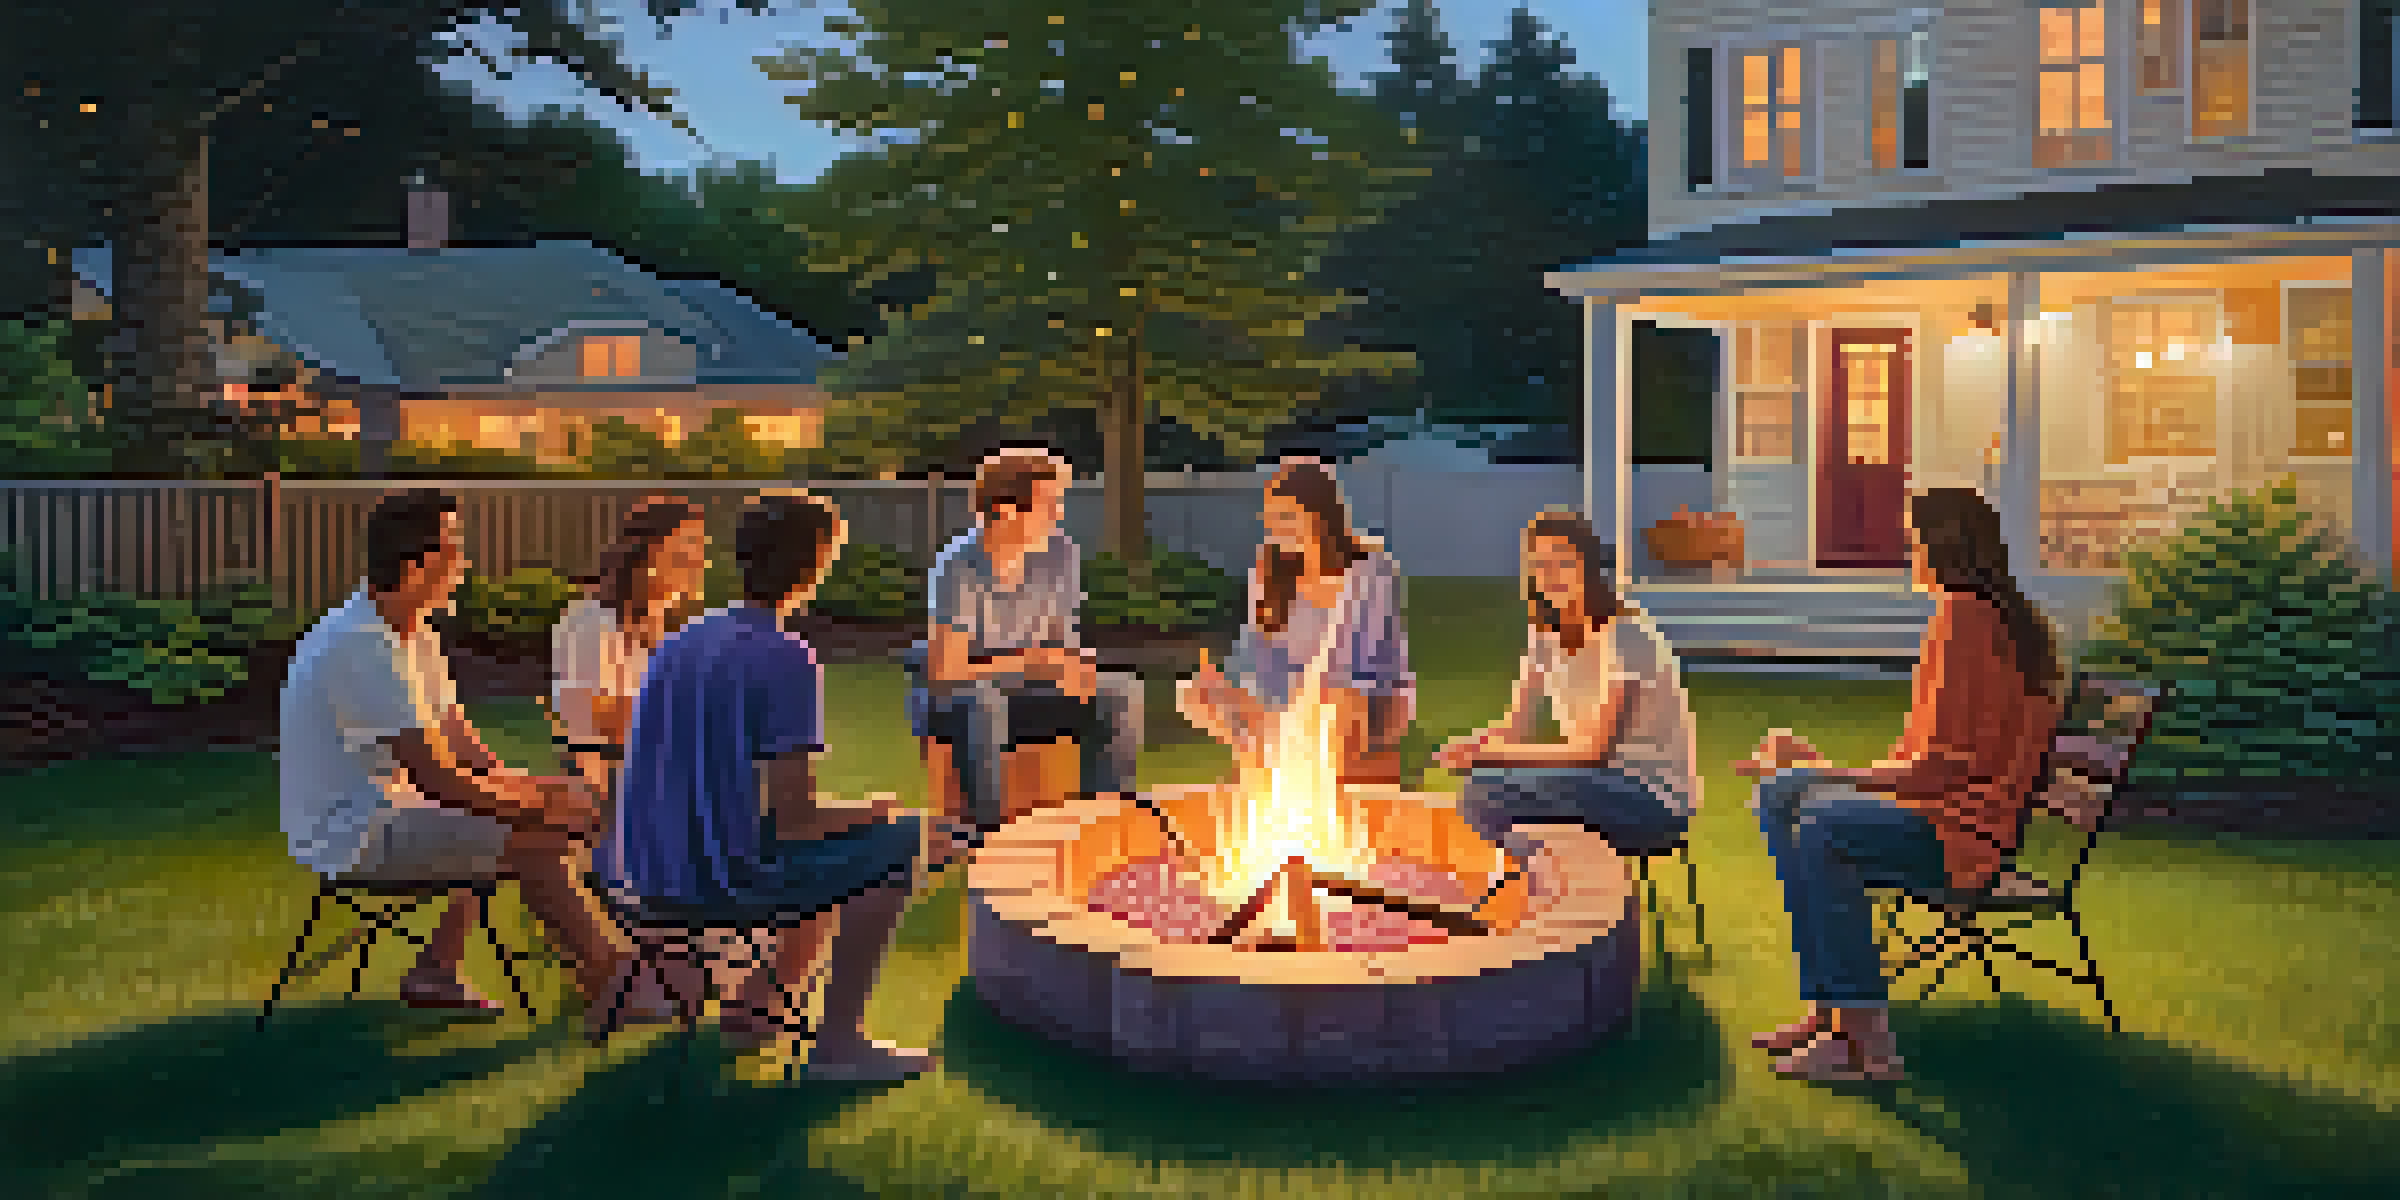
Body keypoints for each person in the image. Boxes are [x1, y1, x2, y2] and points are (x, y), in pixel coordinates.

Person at [610, 490, 966, 1079]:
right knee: (896, 848)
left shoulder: (682, 640)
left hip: (644, 868)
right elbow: (793, 819)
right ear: (818, 564)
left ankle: (760, 1004)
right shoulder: (785, 656)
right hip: (718, 877)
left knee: (842, 858)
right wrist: (877, 814)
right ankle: (838, 1044)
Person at [1734, 487, 2063, 1082]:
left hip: (1961, 839)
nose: (1905, 551)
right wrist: (1813, 768)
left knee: (1820, 825)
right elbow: (1932, 763)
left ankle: (1868, 1047)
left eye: (1911, 540)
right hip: (1948, 818)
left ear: (1941, 548)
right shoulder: (1987, 616)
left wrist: (1825, 773)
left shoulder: (1964, 620)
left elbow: (1941, 771)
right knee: (1781, 792)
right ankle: (1829, 1011)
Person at [279, 489, 628, 1017]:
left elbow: (467, 751)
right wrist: (543, 810)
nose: (464, 564)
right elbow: (440, 780)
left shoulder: (414, 633)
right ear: (417, 565)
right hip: (353, 832)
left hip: (400, 811)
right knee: (534, 839)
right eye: (454, 550)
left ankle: (437, 970)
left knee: (557, 816)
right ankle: (614, 986)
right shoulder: (362, 645)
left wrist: (551, 794)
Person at [1431, 510, 1701, 864]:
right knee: (1483, 783)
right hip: (1591, 784)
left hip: (1649, 798)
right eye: (1540, 565)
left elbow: (1594, 751)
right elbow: (1516, 729)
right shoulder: (1545, 637)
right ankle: (1544, 892)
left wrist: (1488, 757)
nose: (1551, 576)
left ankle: (1542, 896)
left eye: (1563, 562)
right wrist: (1475, 745)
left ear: (1588, 565)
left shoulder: (1624, 633)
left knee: (1487, 790)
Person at [912, 446, 1145, 830]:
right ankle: (985, 833)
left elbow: (1059, 642)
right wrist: (1031, 662)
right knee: (983, 699)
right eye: (1049, 505)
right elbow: (945, 672)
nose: (1059, 515)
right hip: (960, 701)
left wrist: (1074, 663)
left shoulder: (1059, 553)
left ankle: (1103, 822)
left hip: (1029, 693)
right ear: (1005, 511)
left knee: (1120, 690)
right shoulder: (958, 567)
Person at [1177, 458, 1415, 782]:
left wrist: (1299, 705)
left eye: (1288, 519)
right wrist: (1224, 685)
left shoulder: (1369, 568)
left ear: (1322, 518)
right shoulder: (1269, 572)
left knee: (1336, 696)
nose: (1278, 532)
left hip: (1360, 697)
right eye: (1272, 520)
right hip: (1284, 704)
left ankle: (1274, 756)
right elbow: (1255, 657)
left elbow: (1353, 659)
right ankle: (1272, 758)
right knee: (1192, 692)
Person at [551, 496, 708, 828]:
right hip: (615, 785)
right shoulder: (592, 621)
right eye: (685, 550)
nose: (699, 562)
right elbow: (602, 722)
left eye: (699, 550)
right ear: (646, 555)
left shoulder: (662, 628)